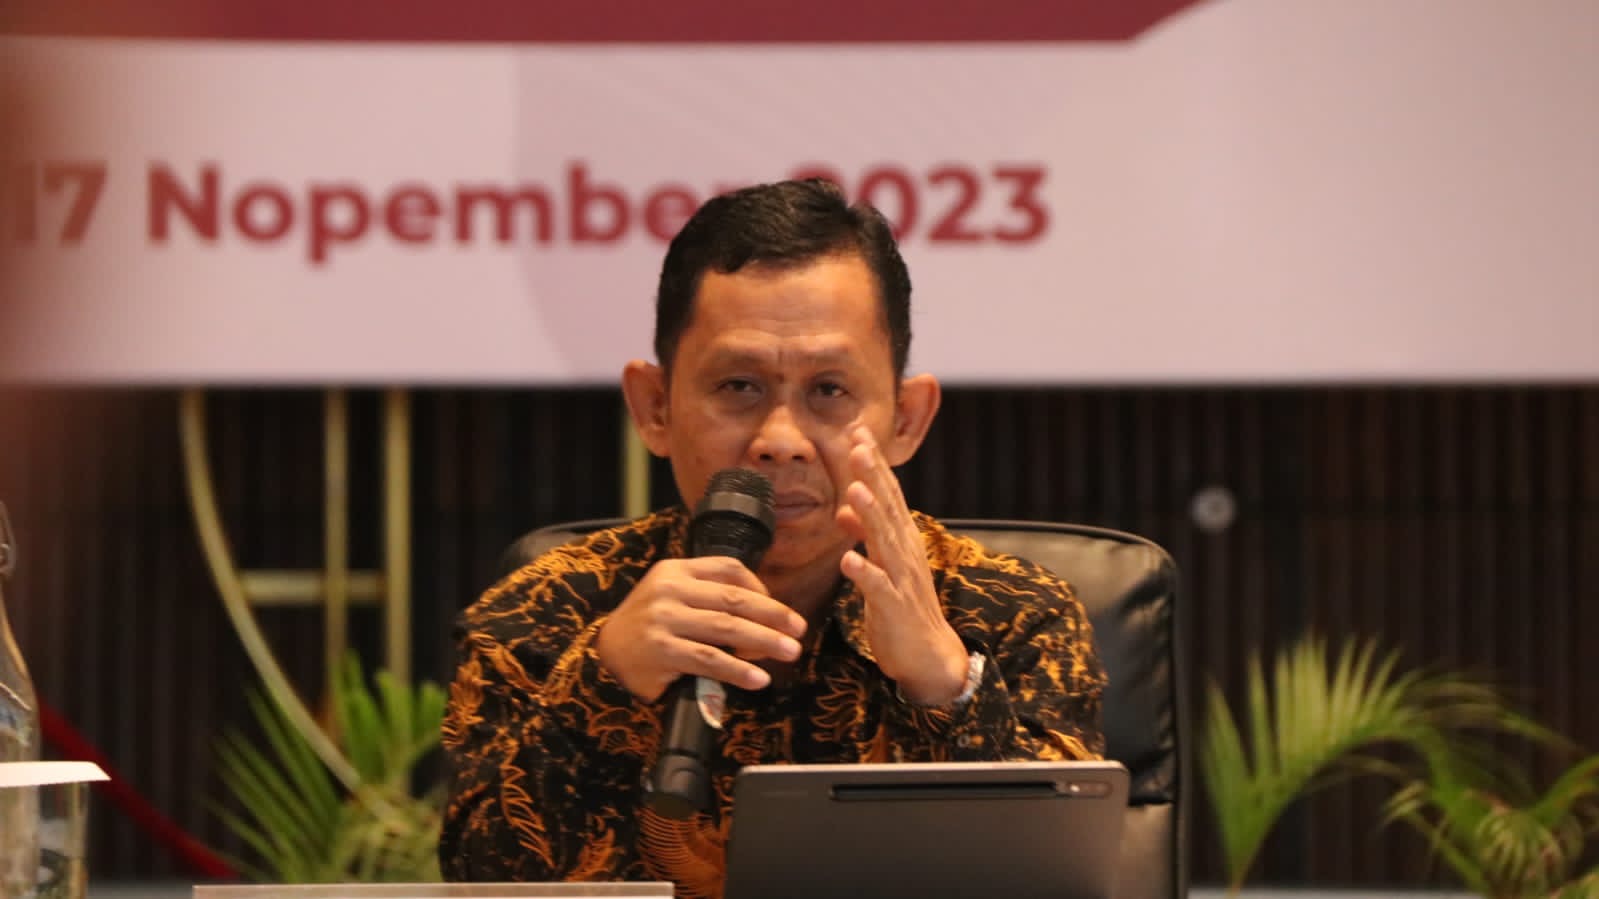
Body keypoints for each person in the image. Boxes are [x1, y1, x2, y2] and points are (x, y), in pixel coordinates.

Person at [438, 178, 1106, 897]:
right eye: (738, 386)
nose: (780, 440)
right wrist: (604, 684)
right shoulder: (545, 611)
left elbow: (1057, 881)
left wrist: (945, 685)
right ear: (655, 407)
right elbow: (478, 881)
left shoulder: (1012, 615)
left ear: (906, 418)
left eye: (828, 390)